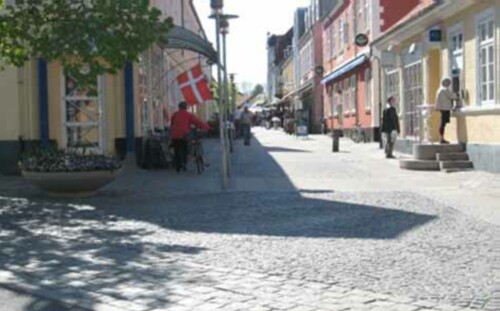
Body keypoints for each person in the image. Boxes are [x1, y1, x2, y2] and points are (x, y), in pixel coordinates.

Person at [170, 101, 209, 172]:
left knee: (177, 149)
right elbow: (197, 122)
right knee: (185, 148)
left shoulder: (175, 114)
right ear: (186, 107)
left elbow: (172, 123)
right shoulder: (188, 115)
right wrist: (206, 127)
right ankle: (184, 163)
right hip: (184, 134)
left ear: (179, 107)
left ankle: (177, 166)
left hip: (175, 135)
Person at [435, 77, 459, 144]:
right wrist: (458, 95)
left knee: (443, 123)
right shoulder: (444, 90)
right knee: (443, 123)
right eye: (448, 83)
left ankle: (441, 138)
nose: (449, 84)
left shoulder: (439, 90)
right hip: (445, 108)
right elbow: (452, 96)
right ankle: (441, 138)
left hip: (442, 108)